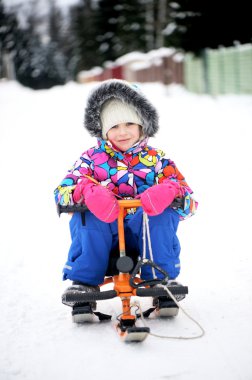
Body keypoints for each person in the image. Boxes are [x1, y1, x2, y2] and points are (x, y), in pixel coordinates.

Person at [54, 79, 197, 308]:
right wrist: (85, 190)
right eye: (113, 126)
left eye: (129, 123)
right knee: (89, 216)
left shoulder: (157, 160)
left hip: (145, 237)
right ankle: (84, 283)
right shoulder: (90, 160)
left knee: (159, 215)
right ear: (102, 129)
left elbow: (190, 202)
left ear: (142, 124)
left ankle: (160, 278)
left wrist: (171, 190)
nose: (122, 132)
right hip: (104, 238)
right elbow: (61, 194)